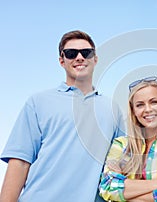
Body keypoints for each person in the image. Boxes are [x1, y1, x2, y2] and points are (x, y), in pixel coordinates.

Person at [0, 30, 125, 202]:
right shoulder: (38, 102)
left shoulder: (112, 109)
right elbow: (20, 162)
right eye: (71, 53)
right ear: (62, 61)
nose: (79, 57)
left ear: (95, 59)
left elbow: (121, 165)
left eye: (86, 53)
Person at [99, 76, 157, 201]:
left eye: (153, 102)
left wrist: (124, 190)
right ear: (133, 110)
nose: (147, 109)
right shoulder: (121, 145)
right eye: (140, 105)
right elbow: (106, 187)